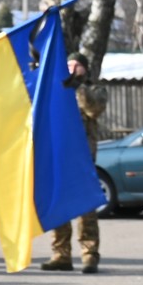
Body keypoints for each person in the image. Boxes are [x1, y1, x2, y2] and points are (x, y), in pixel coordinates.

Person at [43, 53, 109, 273]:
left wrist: (78, 87)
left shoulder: (95, 90)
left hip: (82, 157)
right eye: (69, 64)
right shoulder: (55, 88)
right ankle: (61, 254)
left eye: (77, 66)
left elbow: (94, 109)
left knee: (86, 209)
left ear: (85, 69)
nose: (72, 68)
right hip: (58, 155)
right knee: (59, 207)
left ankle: (89, 254)